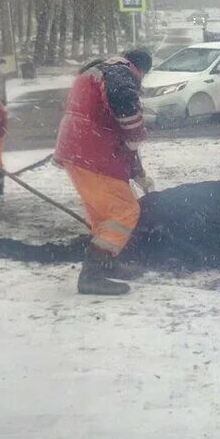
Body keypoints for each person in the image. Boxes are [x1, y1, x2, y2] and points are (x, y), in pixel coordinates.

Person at [55, 49, 155, 295]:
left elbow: (121, 136)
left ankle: (107, 263)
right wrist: (137, 133)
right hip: (93, 151)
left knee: (103, 215)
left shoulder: (100, 72)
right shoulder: (120, 73)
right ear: (140, 69)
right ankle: (93, 274)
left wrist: (138, 172)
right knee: (124, 210)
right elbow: (125, 107)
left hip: (80, 150)